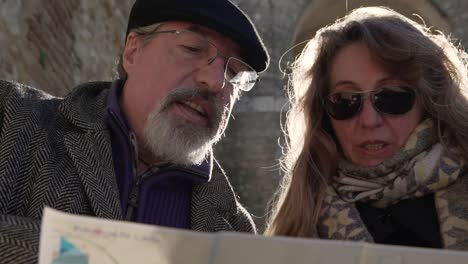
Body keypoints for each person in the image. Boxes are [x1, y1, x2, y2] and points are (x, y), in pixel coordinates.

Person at [0, 0, 269, 261]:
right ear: (132, 52)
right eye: (192, 48)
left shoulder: (235, 229)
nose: (215, 81)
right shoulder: (11, 117)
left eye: (233, 72)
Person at [266, 6, 468, 250]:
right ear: (323, 114)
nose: (369, 120)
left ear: (430, 102)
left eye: (391, 96)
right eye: (346, 101)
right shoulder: (299, 224)